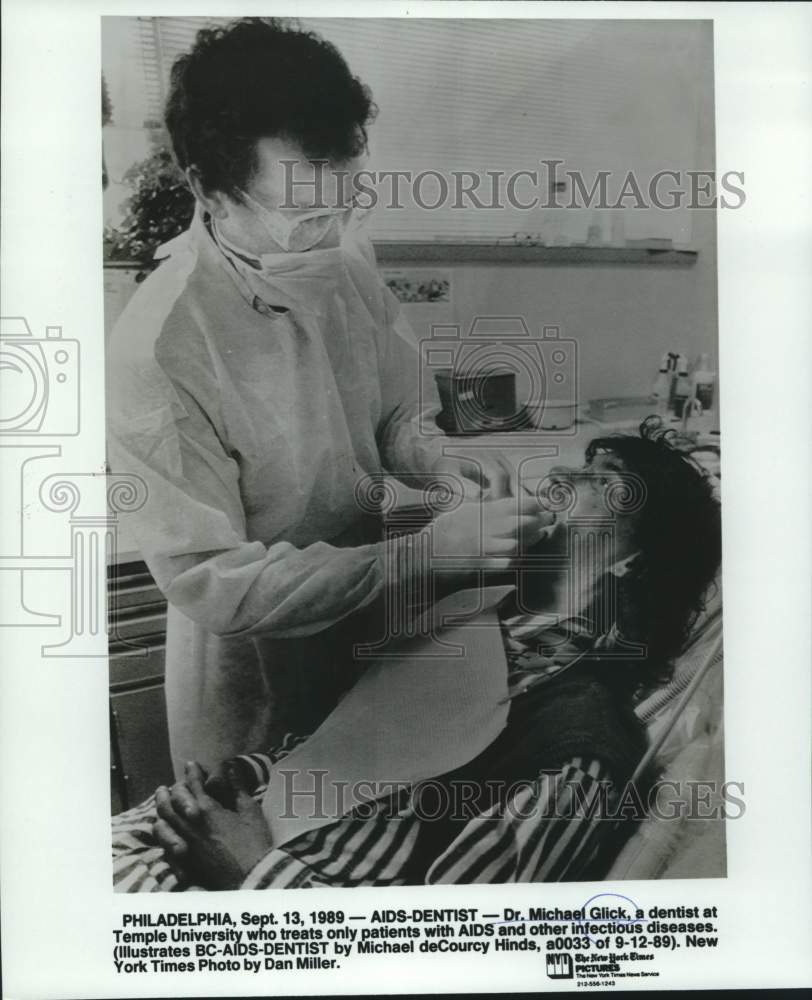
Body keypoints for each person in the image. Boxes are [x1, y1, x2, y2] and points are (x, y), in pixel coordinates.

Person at [106, 18, 542, 773]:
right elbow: (217, 583)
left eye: (349, 204)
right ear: (208, 188)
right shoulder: (161, 346)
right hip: (251, 664)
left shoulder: (345, 263)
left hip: (364, 630)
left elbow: (395, 414)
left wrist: (438, 461)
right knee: (261, 843)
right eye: (306, 217)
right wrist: (421, 555)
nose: (333, 235)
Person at [112, 423, 722, 890]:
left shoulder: (578, 748)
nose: (565, 474)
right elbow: (329, 756)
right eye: (581, 462)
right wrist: (231, 786)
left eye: (607, 483)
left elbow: (462, 951)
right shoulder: (458, 627)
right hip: (180, 837)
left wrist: (249, 867)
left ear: (631, 565)